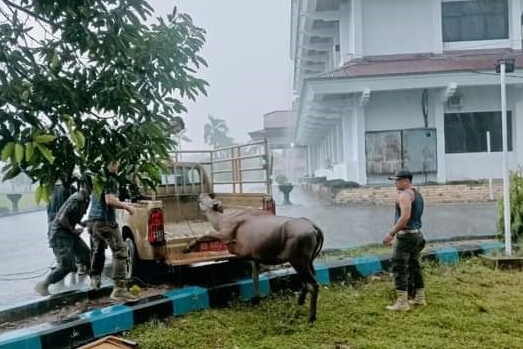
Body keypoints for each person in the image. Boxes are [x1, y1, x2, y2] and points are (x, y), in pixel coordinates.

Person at [88, 160, 137, 302]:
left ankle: (95, 281)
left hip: (93, 221)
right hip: (105, 222)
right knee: (121, 251)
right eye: (117, 162)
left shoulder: (98, 178)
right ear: (111, 163)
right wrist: (126, 206)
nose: (119, 165)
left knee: (97, 250)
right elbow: (109, 200)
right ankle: (119, 289)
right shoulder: (110, 179)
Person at [35, 180, 92, 296]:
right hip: (60, 234)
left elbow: (73, 215)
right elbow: (62, 218)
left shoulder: (86, 199)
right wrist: (73, 230)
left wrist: (81, 223)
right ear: (84, 186)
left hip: (69, 232)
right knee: (67, 266)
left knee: (87, 255)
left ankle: (96, 281)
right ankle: (43, 285)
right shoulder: (77, 198)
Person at [382, 170, 426, 311]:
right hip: (417, 235)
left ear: (406, 181)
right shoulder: (417, 194)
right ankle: (420, 298)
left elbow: (405, 217)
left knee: (399, 267)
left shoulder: (404, 195)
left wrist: (392, 233)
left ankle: (402, 303)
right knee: (414, 266)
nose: (396, 183)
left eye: (398, 180)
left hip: (406, 236)